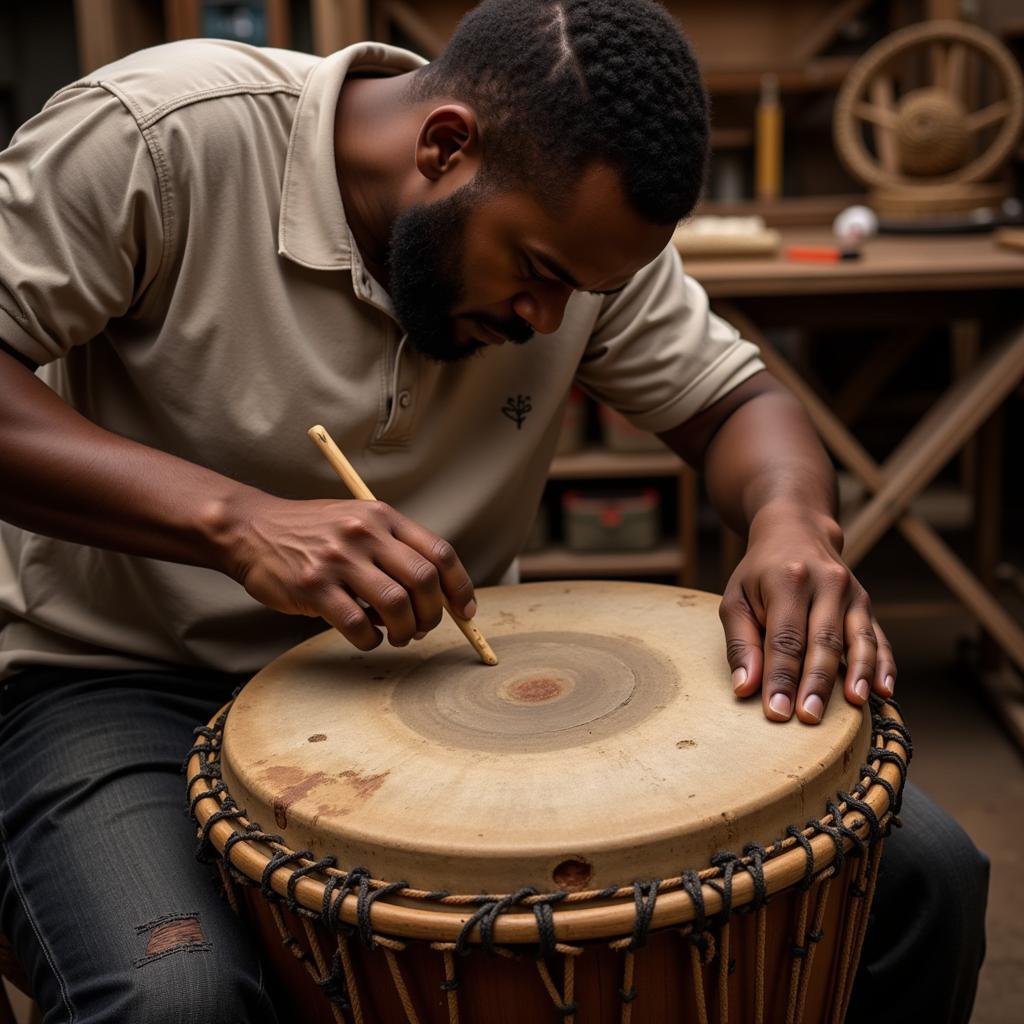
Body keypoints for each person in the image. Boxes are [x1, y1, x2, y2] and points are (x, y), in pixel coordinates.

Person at [0, 1, 986, 1021]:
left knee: (925, 874)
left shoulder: (572, 240)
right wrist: (234, 519)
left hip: (433, 676)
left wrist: (790, 524)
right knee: (178, 998)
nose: (547, 322)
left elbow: (743, 403)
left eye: (581, 292)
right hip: (121, 681)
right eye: (538, 273)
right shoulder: (163, 137)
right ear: (443, 146)